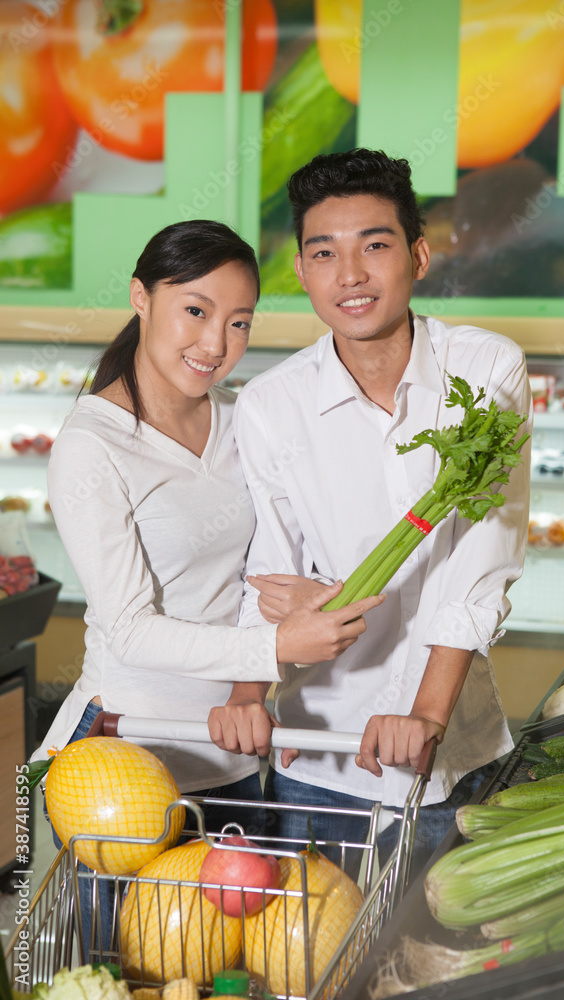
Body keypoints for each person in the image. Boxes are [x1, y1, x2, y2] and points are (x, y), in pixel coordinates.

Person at [33, 219, 384, 956]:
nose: (215, 345)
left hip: (232, 751)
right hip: (124, 766)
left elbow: (256, 567)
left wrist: (254, 677)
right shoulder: (93, 446)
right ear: (141, 297)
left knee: (231, 969)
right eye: (195, 310)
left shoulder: (237, 421)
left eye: (238, 323)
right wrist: (275, 645)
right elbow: (129, 627)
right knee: (123, 966)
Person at [207, 149, 532, 877]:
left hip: (454, 751)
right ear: (301, 271)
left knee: (437, 980)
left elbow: (482, 561)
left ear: (418, 255)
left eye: (374, 246)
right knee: (307, 969)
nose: (348, 276)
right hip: (318, 756)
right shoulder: (270, 405)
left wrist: (425, 714)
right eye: (323, 253)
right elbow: (269, 574)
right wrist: (242, 694)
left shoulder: (485, 369)